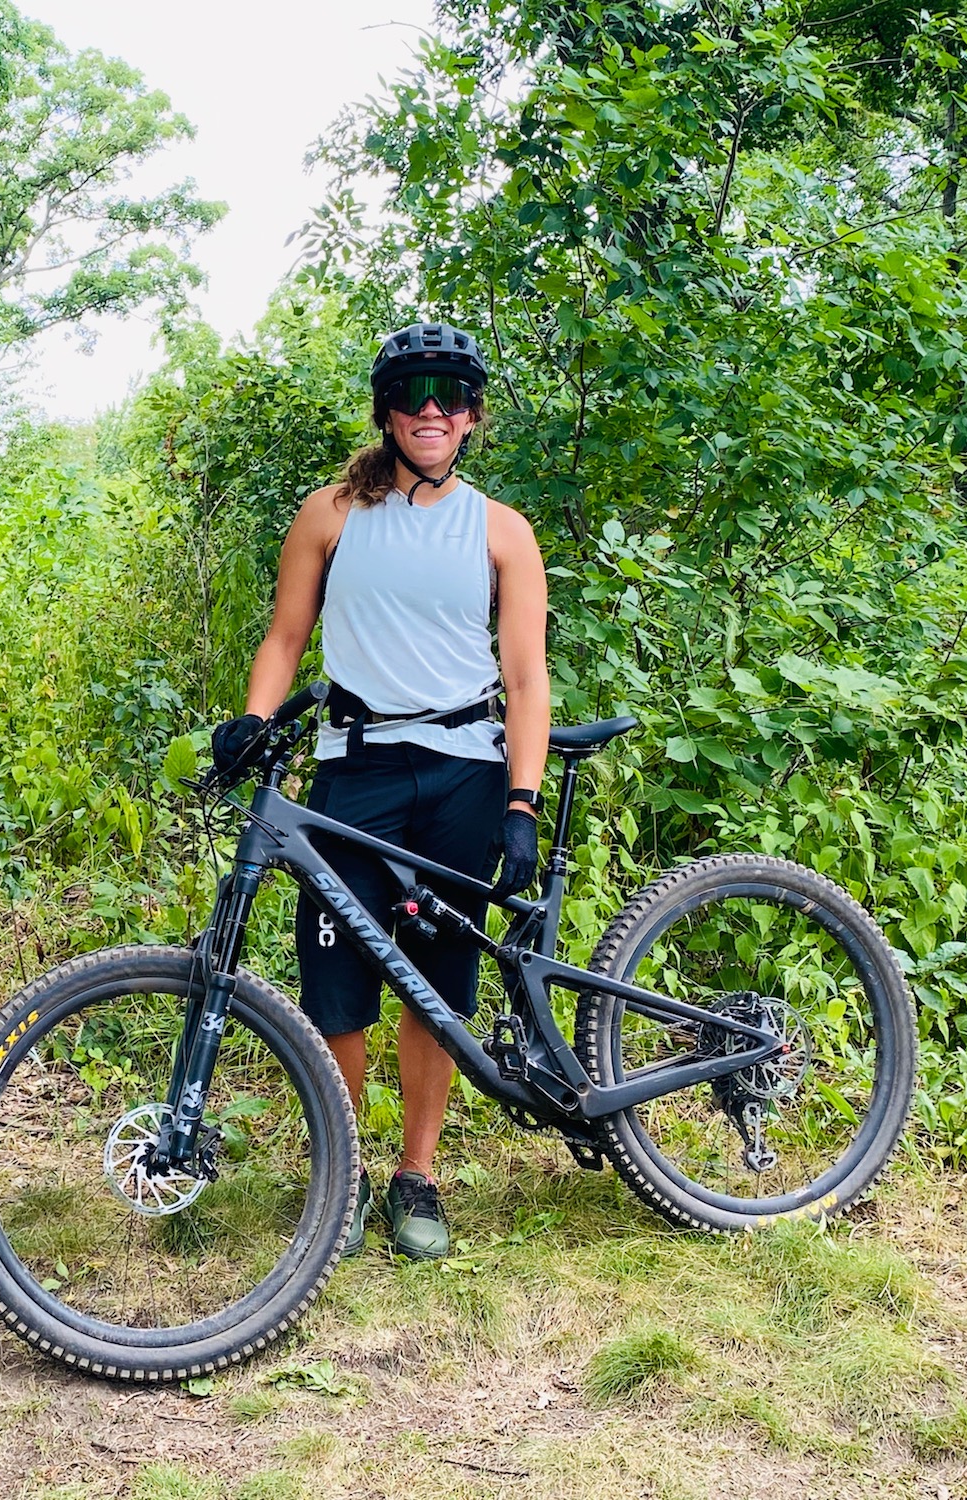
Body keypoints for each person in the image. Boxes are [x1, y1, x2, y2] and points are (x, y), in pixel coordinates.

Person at [210, 320, 552, 1261]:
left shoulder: (500, 532)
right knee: (338, 980)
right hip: (352, 769)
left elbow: (527, 679)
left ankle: (417, 1177)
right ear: (388, 410)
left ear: (473, 415)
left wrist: (520, 802)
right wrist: (255, 716)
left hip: (466, 772)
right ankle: (345, 1170)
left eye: (450, 394)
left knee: (434, 979)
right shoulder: (331, 513)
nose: (431, 409)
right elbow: (285, 638)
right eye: (414, 393)